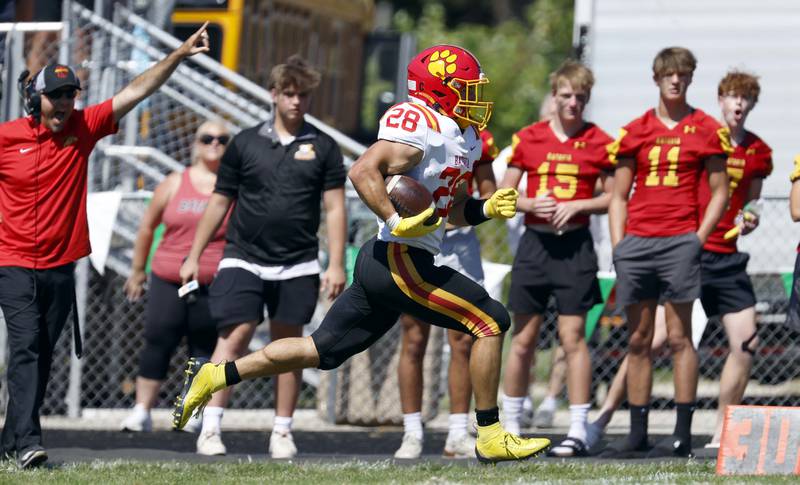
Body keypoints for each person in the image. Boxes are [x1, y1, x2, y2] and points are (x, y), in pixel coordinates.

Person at [172, 44, 551, 463]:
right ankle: (491, 434)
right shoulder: (419, 125)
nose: (475, 99)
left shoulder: (464, 137)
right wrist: (393, 218)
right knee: (491, 320)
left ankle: (214, 375)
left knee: (320, 350)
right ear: (438, 90)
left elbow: (447, 212)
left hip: (389, 260)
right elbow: (362, 170)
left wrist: (484, 209)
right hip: (399, 258)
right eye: (465, 89)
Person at [0, 23, 210, 469]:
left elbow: (136, 90)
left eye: (69, 95)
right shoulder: (7, 139)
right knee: (25, 349)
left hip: (59, 266)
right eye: (55, 95)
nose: (63, 103)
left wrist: (177, 55)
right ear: (34, 100)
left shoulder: (83, 127)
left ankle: (9, 438)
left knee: (41, 354)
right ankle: (28, 441)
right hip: (13, 262)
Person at [589, 70, 772, 450]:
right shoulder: (703, 135)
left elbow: (752, 197)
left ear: (752, 105)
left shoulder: (757, 151)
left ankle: (723, 427)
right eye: (733, 97)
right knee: (650, 340)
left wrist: (751, 216)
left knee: (746, 341)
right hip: (687, 251)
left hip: (727, 258)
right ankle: (605, 413)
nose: (739, 104)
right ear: (720, 99)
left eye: (746, 99)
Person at [177, 55, 347, 458]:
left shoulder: (323, 146)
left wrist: (337, 263)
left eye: (303, 95)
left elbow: (335, 208)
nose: (296, 102)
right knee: (233, 336)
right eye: (288, 94)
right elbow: (220, 202)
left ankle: (282, 431)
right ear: (274, 95)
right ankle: (211, 426)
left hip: (299, 260)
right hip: (244, 256)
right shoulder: (246, 142)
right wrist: (194, 253)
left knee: (289, 345)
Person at [606, 47, 730, 457]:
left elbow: (720, 191)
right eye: (668, 75)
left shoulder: (707, 128)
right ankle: (638, 431)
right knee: (638, 338)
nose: (675, 81)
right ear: (656, 79)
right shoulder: (635, 130)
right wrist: (619, 244)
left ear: (691, 79)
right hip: (638, 242)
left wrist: (698, 237)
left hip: (680, 240)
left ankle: (680, 433)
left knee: (680, 338)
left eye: (682, 74)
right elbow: (618, 195)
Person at [499, 60, 614, 457]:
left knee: (573, 339)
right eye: (566, 96)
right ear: (555, 95)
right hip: (536, 244)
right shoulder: (529, 138)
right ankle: (511, 424)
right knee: (523, 338)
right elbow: (504, 195)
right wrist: (532, 202)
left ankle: (579, 428)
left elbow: (612, 196)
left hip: (575, 245)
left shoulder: (599, 140)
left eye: (581, 97)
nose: (573, 104)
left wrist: (578, 205)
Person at [119, 120, 232, 433]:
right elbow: (147, 227)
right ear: (196, 143)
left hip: (214, 280)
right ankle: (142, 410)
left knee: (203, 348)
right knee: (158, 340)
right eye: (207, 138)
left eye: (222, 139)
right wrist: (138, 271)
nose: (215, 143)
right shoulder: (173, 182)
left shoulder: (233, 186)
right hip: (169, 276)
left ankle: (193, 411)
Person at [393, 128, 499, 460]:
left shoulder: (477, 135)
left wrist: (473, 209)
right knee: (413, 337)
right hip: (418, 238)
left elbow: (488, 189)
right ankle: (412, 431)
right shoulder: (416, 128)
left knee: (464, 339)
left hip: (459, 242)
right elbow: (389, 182)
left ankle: (456, 432)